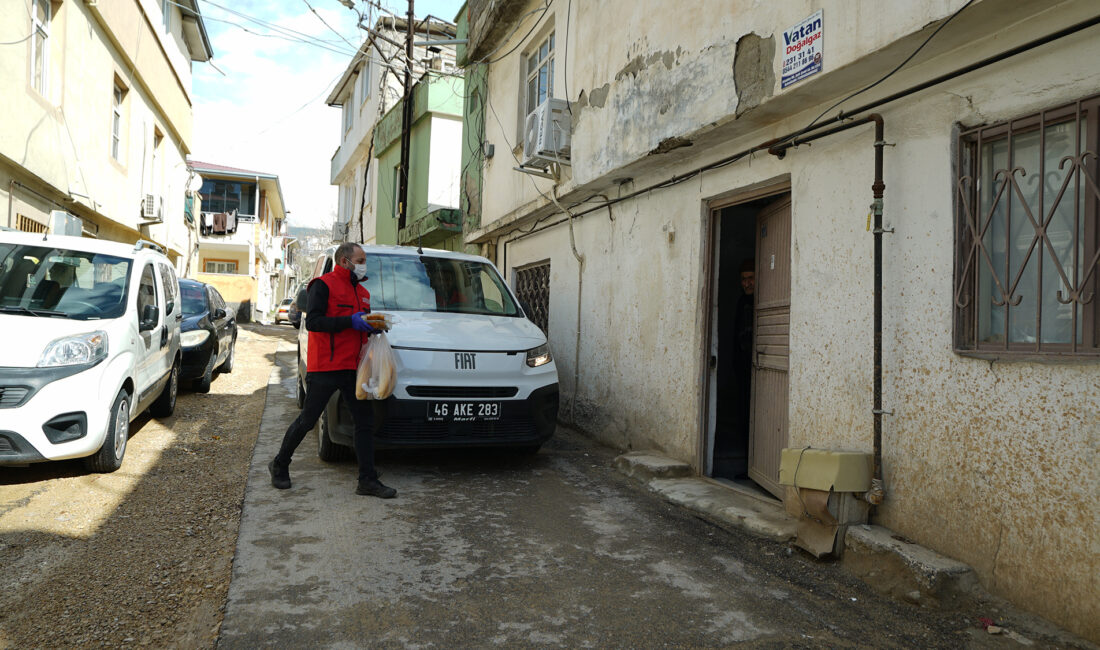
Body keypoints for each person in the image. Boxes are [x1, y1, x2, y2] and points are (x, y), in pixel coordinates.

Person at [268, 242, 396, 499]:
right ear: (344, 261)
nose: (363, 264)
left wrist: (372, 327)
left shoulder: (363, 293)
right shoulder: (322, 285)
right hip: (326, 366)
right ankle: (280, 464)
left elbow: (361, 325)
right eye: (360, 260)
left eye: (364, 260)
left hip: (354, 367)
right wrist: (350, 321)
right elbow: (314, 322)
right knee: (308, 419)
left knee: (364, 422)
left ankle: (367, 480)